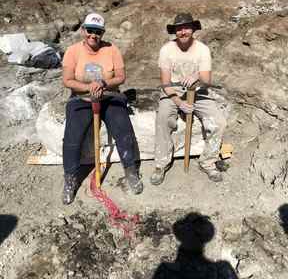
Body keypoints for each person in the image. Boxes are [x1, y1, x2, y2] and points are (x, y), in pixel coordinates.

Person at [62, 12, 143, 205]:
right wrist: (88, 87)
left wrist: (104, 83)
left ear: (103, 33)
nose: (93, 35)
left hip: (109, 96)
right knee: (72, 138)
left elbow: (121, 77)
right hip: (82, 99)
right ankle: (70, 179)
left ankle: (131, 171)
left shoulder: (111, 49)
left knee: (124, 131)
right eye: (90, 30)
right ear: (83, 30)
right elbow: (67, 80)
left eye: (98, 32)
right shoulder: (73, 51)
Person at [150, 12, 226, 185]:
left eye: (186, 28)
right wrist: (180, 103)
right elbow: (165, 83)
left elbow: (207, 80)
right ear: (174, 31)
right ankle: (161, 164)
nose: (183, 32)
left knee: (218, 122)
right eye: (179, 29)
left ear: (193, 29)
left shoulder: (202, 50)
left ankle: (207, 161)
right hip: (172, 91)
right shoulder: (166, 50)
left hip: (198, 91)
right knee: (163, 119)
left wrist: (197, 76)